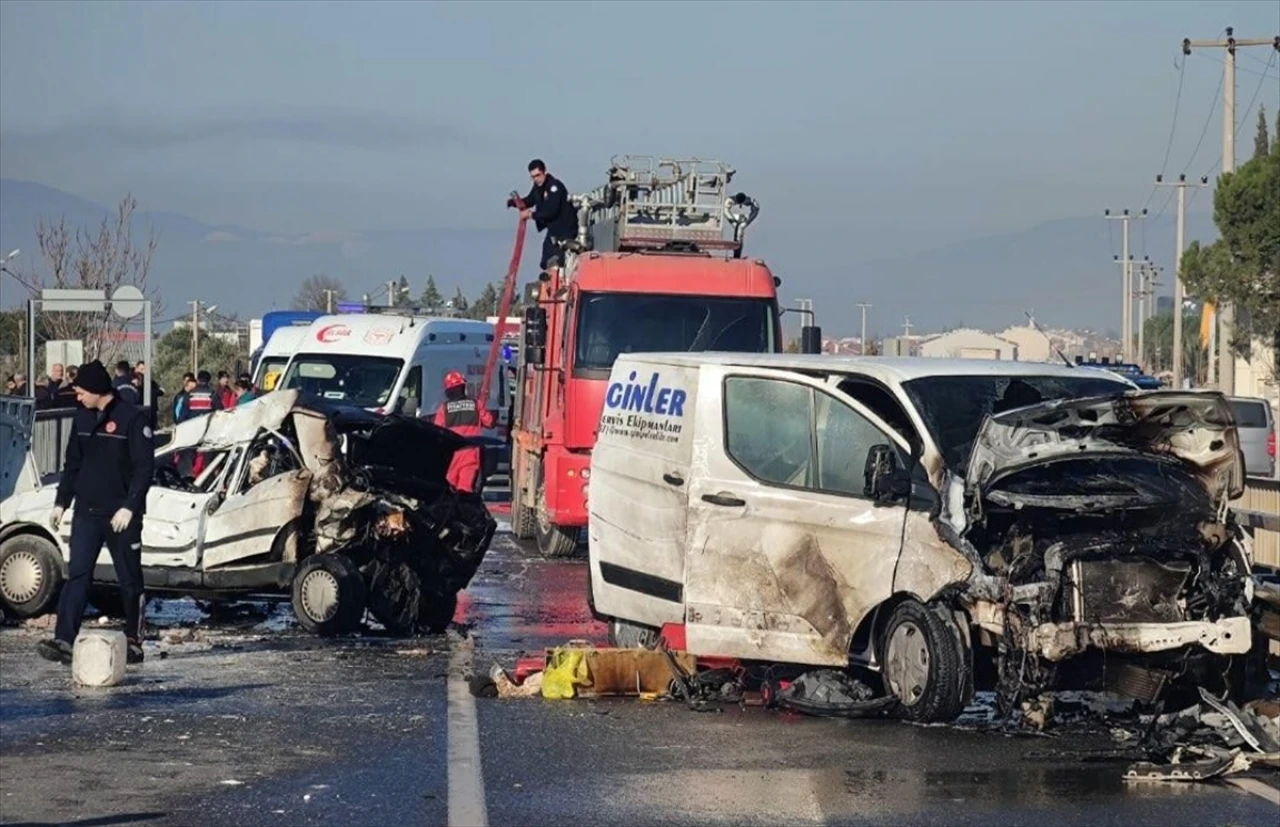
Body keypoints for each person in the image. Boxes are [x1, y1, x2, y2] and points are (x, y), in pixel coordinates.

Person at [37, 360, 154, 666]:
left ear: (96, 390)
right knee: (77, 576)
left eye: (81, 392)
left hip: (120, 515)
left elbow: (144, 468)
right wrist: (62, 501)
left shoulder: (131, 419)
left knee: (130, 579)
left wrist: (130, 506)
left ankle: (134, 638)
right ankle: (64, 638)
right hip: (87, 511)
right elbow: (72, 463)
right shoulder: (82, 418)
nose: (78, 397)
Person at [431, 371, 494, 494]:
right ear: (463, 387)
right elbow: (490, 422)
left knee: (449, 489)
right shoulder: (476, 404)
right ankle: (465, 510)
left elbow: (437, 432)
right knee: (466, 489)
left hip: (451, 455)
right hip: (470, 454)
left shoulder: (444, 409)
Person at [511, 158, 578, 272]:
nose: (536, 179)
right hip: (553, 231)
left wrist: (531, 215)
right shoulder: (538, 187)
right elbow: (531, 200)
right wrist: (515, 203)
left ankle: (560, 282)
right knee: (546, 260)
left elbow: (551, 211)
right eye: (533, 177)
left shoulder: (554, 187)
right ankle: (550, 282)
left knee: (558, 259)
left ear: (544, 172)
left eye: (538, 175)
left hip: (565, 230)